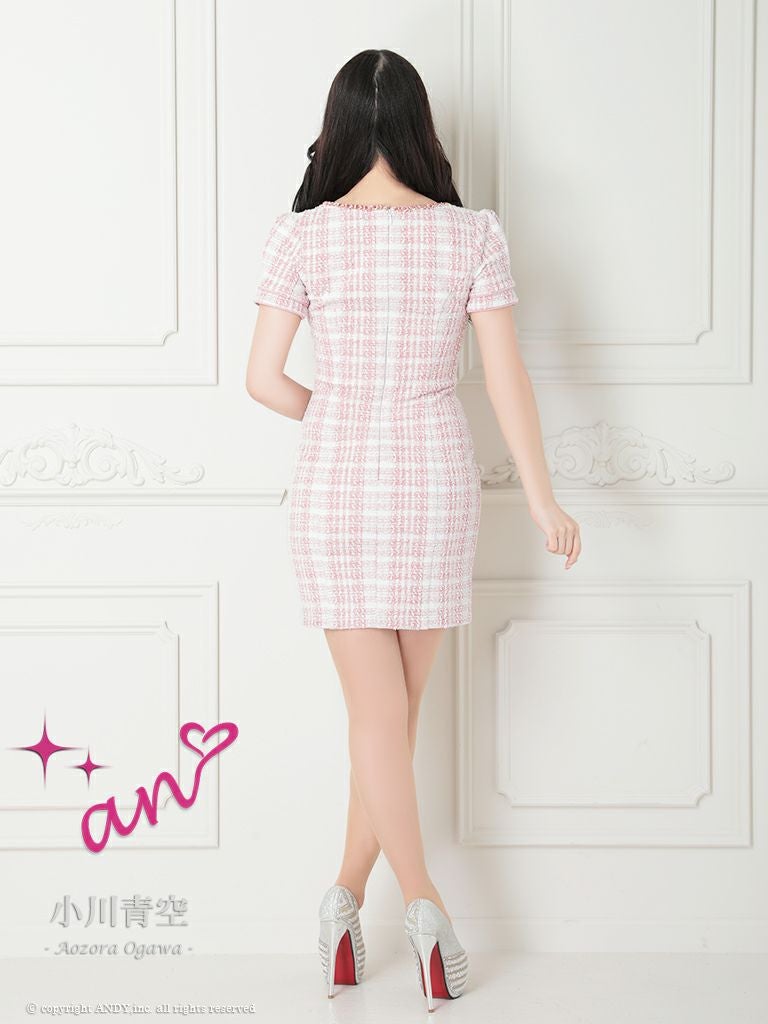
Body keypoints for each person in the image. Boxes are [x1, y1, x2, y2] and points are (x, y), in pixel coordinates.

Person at [245, 48, 581, 1010]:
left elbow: (263, 381)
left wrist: (339, 413)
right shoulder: (472, 234)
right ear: (420, 130)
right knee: (394, 719)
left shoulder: (301, 235)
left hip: (337, 483)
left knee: (375, 722)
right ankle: (403, 902)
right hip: (435, 481)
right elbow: (508, 381)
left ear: (338, 129)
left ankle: (366, 902)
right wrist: (544, 499)